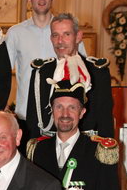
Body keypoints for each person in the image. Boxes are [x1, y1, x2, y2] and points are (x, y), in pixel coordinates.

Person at [6, 0, 86, 129]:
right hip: (26, 115)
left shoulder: (69, 31)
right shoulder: (15, 33)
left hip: (64, 117)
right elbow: (3, 74)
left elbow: (84, 72)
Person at [26, 12, 114, 141]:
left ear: (78, 37)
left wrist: (105, 149)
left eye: (66, 34)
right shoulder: (41, 72)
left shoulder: (97, 71)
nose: (60, 41)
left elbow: (105, 120)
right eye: (55, 35)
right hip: (48, 146)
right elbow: (33, 119)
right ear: (51, 38)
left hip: (86, 145)